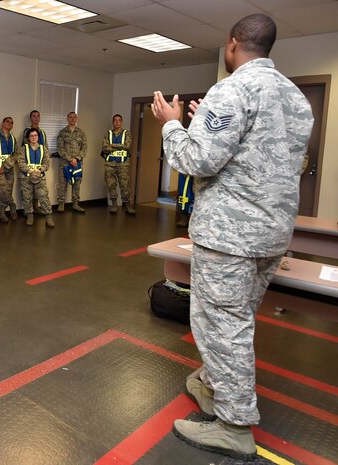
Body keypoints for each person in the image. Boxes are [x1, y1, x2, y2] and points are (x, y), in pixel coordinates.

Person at [151, 14, 313, 460]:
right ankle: (213, 387)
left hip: (230, 237)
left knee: (224, 326)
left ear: (234, 43)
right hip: (271, 235)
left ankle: (234, 426)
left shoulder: (234, 87)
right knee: (237, 318)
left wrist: (171, 122)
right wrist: (206, 120)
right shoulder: (296, 97)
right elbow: (261, 155)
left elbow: (197, 160)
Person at [16, 128, 54, 228]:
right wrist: (30, 170)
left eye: (35, 135)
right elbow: (20, 163)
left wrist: (40, 170)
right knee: (27, 198)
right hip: (26, 177)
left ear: (38, 137)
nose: (34, 137)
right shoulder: (23, 149)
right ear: (28, 138)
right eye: (31, 135)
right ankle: (30, 217)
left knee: (44, 197)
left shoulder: (43, 149)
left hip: (40, 177)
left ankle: (48, 217)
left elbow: (46, 163)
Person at [101, 114, 135, 215]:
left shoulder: (126, 133)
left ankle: (127, 205)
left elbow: (127, 146)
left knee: (124, 185)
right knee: (111, 184)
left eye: (119, 120)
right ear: (113, 122)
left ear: (121, 122)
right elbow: (105, 148)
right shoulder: (108, 134)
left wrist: (113, 145)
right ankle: (114, 204)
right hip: (110, 163)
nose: (117, 122)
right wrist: (120, 146)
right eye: (115, 120)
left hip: (123, 163)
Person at [57, 112, 87, 213]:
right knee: (62, 184)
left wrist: (77, 159)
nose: (72, 119)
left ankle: (75, 204)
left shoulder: (81, 132)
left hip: (77, 164)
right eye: (70, 117)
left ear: (77, 119)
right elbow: (60, 149)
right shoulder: (62, 132)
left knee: (77, 184)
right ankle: (61, 204)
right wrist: (70, 159)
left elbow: (84, 148)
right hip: (65, 163)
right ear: (67, 119)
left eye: (74, 117)